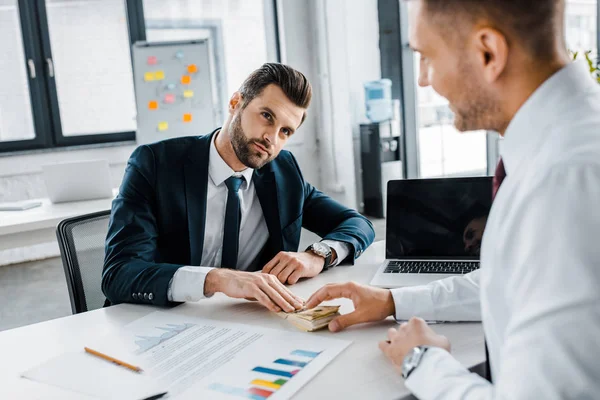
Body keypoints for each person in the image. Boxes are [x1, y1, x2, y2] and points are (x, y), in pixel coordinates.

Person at [306, 0, 600, 398]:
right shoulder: (561, 147)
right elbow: (509, 281)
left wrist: (422, 361)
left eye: (426, 57)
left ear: (488, 53)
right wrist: (392, 300)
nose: (424, 80)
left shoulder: (564, 182)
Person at [102, 63, 375, 314]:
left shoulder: (283, 171)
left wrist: (317, 256)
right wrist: (217, 279)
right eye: (267, 116)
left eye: (285, 132)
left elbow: (356, 223)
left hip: (247, 321)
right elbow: (119, 273)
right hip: (161, 321)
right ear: (236, 103)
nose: (272, 138)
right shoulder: (155, 164)